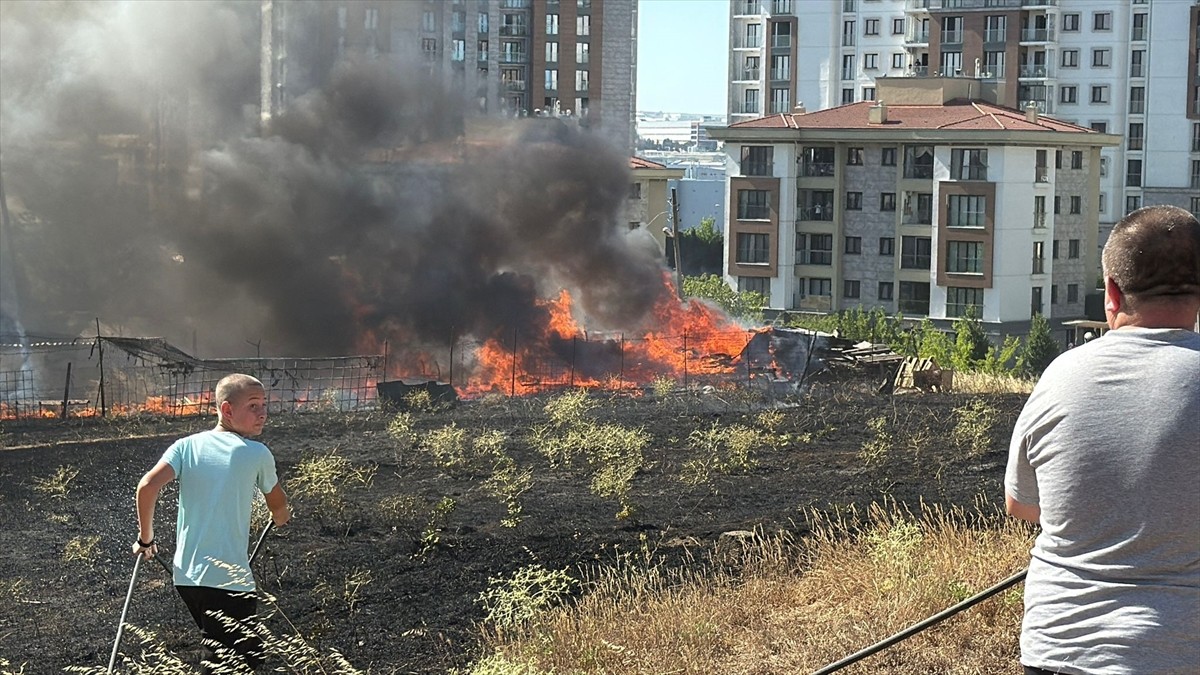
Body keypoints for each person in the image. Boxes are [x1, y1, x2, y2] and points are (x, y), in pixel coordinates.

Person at [1005, 205, 1200, 675]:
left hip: (1059, 650)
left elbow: (1022, 504)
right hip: (1179, 652)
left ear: (1112, 291)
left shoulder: (1061, 376)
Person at [134, 373, 291, 673]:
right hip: (227, 581)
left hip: (187, 579)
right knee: (230, 663)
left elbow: (147, 486)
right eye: (253, 406)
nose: (262, 413)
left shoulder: (185, 446)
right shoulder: (257, 453)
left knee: (242, 652)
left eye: (263, 405)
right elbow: (279, 505)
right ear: (227, 410)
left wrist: (146, 539)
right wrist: (281, 517)